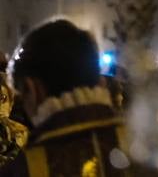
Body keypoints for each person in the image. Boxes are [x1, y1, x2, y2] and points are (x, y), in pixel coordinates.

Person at [1, 19, 146, 175]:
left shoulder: (25, 169)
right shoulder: (148, 149)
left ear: (32, 89)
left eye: (22, 95)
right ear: (101, 82)